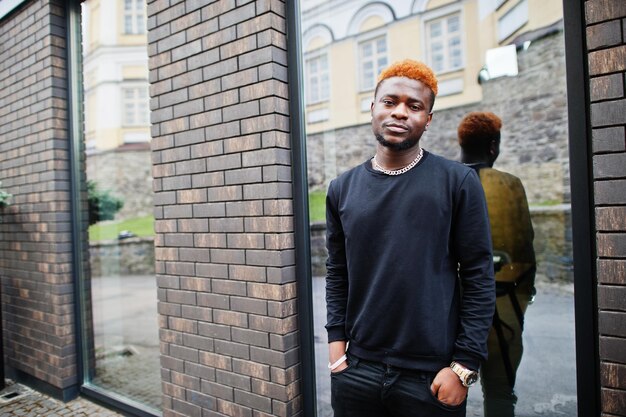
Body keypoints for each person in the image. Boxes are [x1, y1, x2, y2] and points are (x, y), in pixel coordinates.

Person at [325, 59, 496, 417]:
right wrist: (336, 349)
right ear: (373, 108)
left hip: (432, 374)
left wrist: (464, 366)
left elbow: (479, 275)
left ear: (428, 119)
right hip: (357, 369)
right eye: (390, 102)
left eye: (414, 106)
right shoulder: (342, 189)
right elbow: (337, 272)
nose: (400, 112)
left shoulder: (457, 182)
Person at [458, 111, 536, 417]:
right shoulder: (510, 185)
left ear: (461, 143)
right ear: (493, 147)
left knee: (444, 389)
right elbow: (524, 247)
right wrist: (522, 298)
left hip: (451, 308)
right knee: (500, 392)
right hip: (501, 305)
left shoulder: (445, 181)